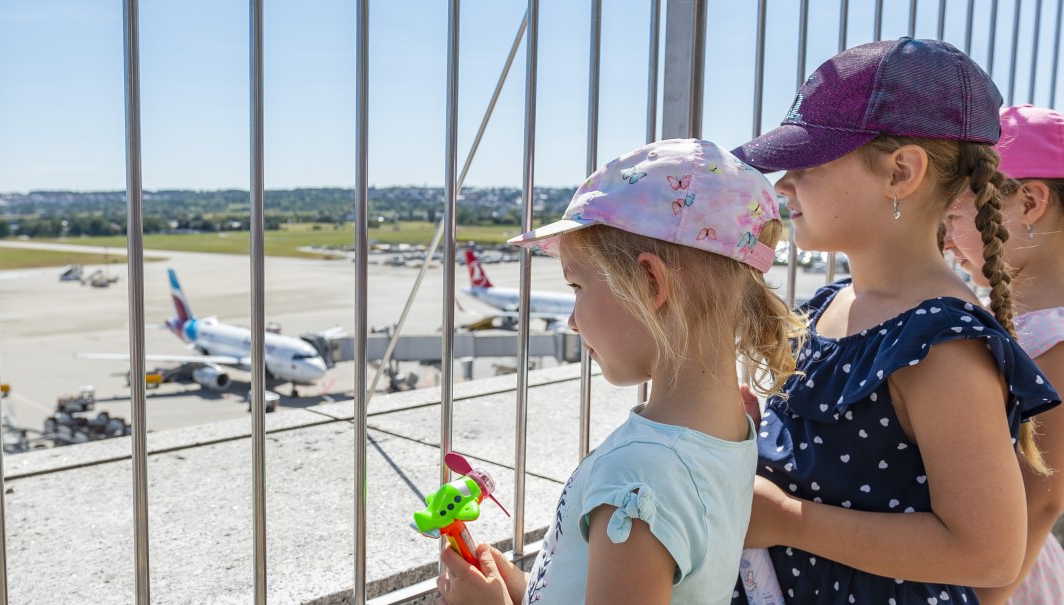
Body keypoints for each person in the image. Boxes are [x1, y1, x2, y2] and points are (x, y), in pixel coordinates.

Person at [730, 38, 1060, 605]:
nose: (783, 183)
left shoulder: (941, 343)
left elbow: (990, 552)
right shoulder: (833, 304)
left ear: (901, 171)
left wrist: (787, 519)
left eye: (808, 159)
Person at [435, 138, 805, 604]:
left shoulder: (638, 477)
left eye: (577, 285)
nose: (572, 319)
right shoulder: (730, 429)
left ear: (650, 284)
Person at [943, 104, 1064, 605]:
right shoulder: (1002, 314)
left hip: (998, 585)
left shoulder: (1056, 343)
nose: (947, 242)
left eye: (954, 215)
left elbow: (1041, 500)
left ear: (1031, 202)